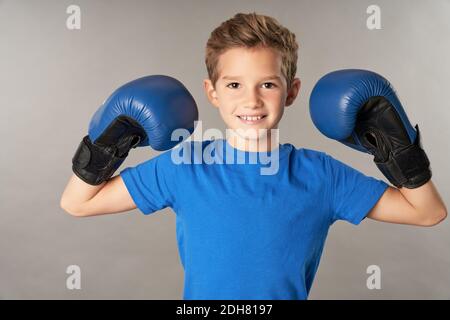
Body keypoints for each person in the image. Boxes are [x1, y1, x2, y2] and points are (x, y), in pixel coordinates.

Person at [60, 12, 447, 300]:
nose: (251, 100)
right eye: (233, 84)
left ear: (291, 91)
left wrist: (401, 148)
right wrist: (106, 145)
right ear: (212, 92)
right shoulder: (184, 166)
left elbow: (427, 212)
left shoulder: (322, 175)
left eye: (267, 84)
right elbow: (76, 204)